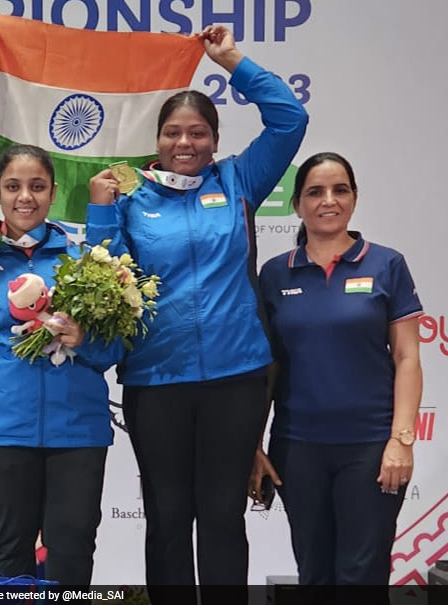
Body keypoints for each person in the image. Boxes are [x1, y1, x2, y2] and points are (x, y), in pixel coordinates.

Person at [86, 25, 309, 598]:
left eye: (198, 132)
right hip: (157, 380)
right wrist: (102, 214)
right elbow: (106, 280)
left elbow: (290, 120)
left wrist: (232, 60)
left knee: (221, 516)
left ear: (213, 138)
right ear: (156, 139)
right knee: (166, 517)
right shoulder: (131, 197)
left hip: (236, 378)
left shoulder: (238, 180)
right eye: (173, 133)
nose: (185, 143)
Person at [0, 144, 121, 586]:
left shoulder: (83, 258)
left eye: (37, 187)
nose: (24, 197)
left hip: (76, 429)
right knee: (7, 554)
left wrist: (85, 340)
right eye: (13, 187)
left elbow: (114, 352)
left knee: (72, 551)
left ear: (53, 193)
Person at [251, 152, 423, 589]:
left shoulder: (386, 264)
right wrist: (253, 443)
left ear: (354, 198)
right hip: (297, 449)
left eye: (339, 190)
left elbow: (407, 357)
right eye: (315, 192)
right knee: (315, 576)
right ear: (297, 205)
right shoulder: (274, 274)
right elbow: (265, 367)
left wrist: (401, 441)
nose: (328, 201)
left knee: (361, 577)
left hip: (371, 449)